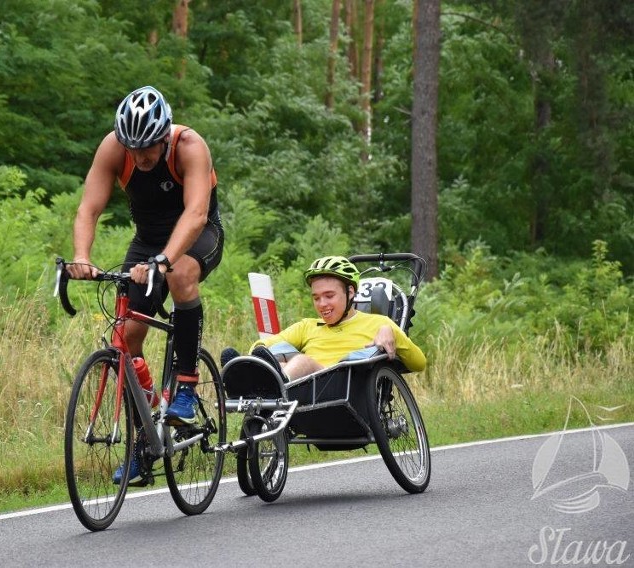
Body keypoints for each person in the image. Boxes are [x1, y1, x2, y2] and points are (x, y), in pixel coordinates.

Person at [66, 86, 223, 481]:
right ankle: (146, 436)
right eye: (133, 148)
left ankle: (186, 387)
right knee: (126, 337)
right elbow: (89, 207)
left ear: (164, 133)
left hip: (197, 235)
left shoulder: (189, 146)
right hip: (148, 242)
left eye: (148, 146)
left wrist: (165, 261)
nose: (141, 156)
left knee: (182, 273)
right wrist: (82, 257)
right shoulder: (114, 148)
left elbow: (197, 213)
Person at [227, 255, 425, 380]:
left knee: (302, 362)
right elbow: (263, 345)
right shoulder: (307, 326)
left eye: (329, 296)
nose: (322, 304)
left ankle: (270, 383)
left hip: (341, 386)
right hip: (302, 392)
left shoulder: (379, 323)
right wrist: (257, 352)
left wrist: (392, 334)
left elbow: (419, 363)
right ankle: (243, 373)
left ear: (350, 293)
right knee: (275, 352)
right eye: (316, 298)